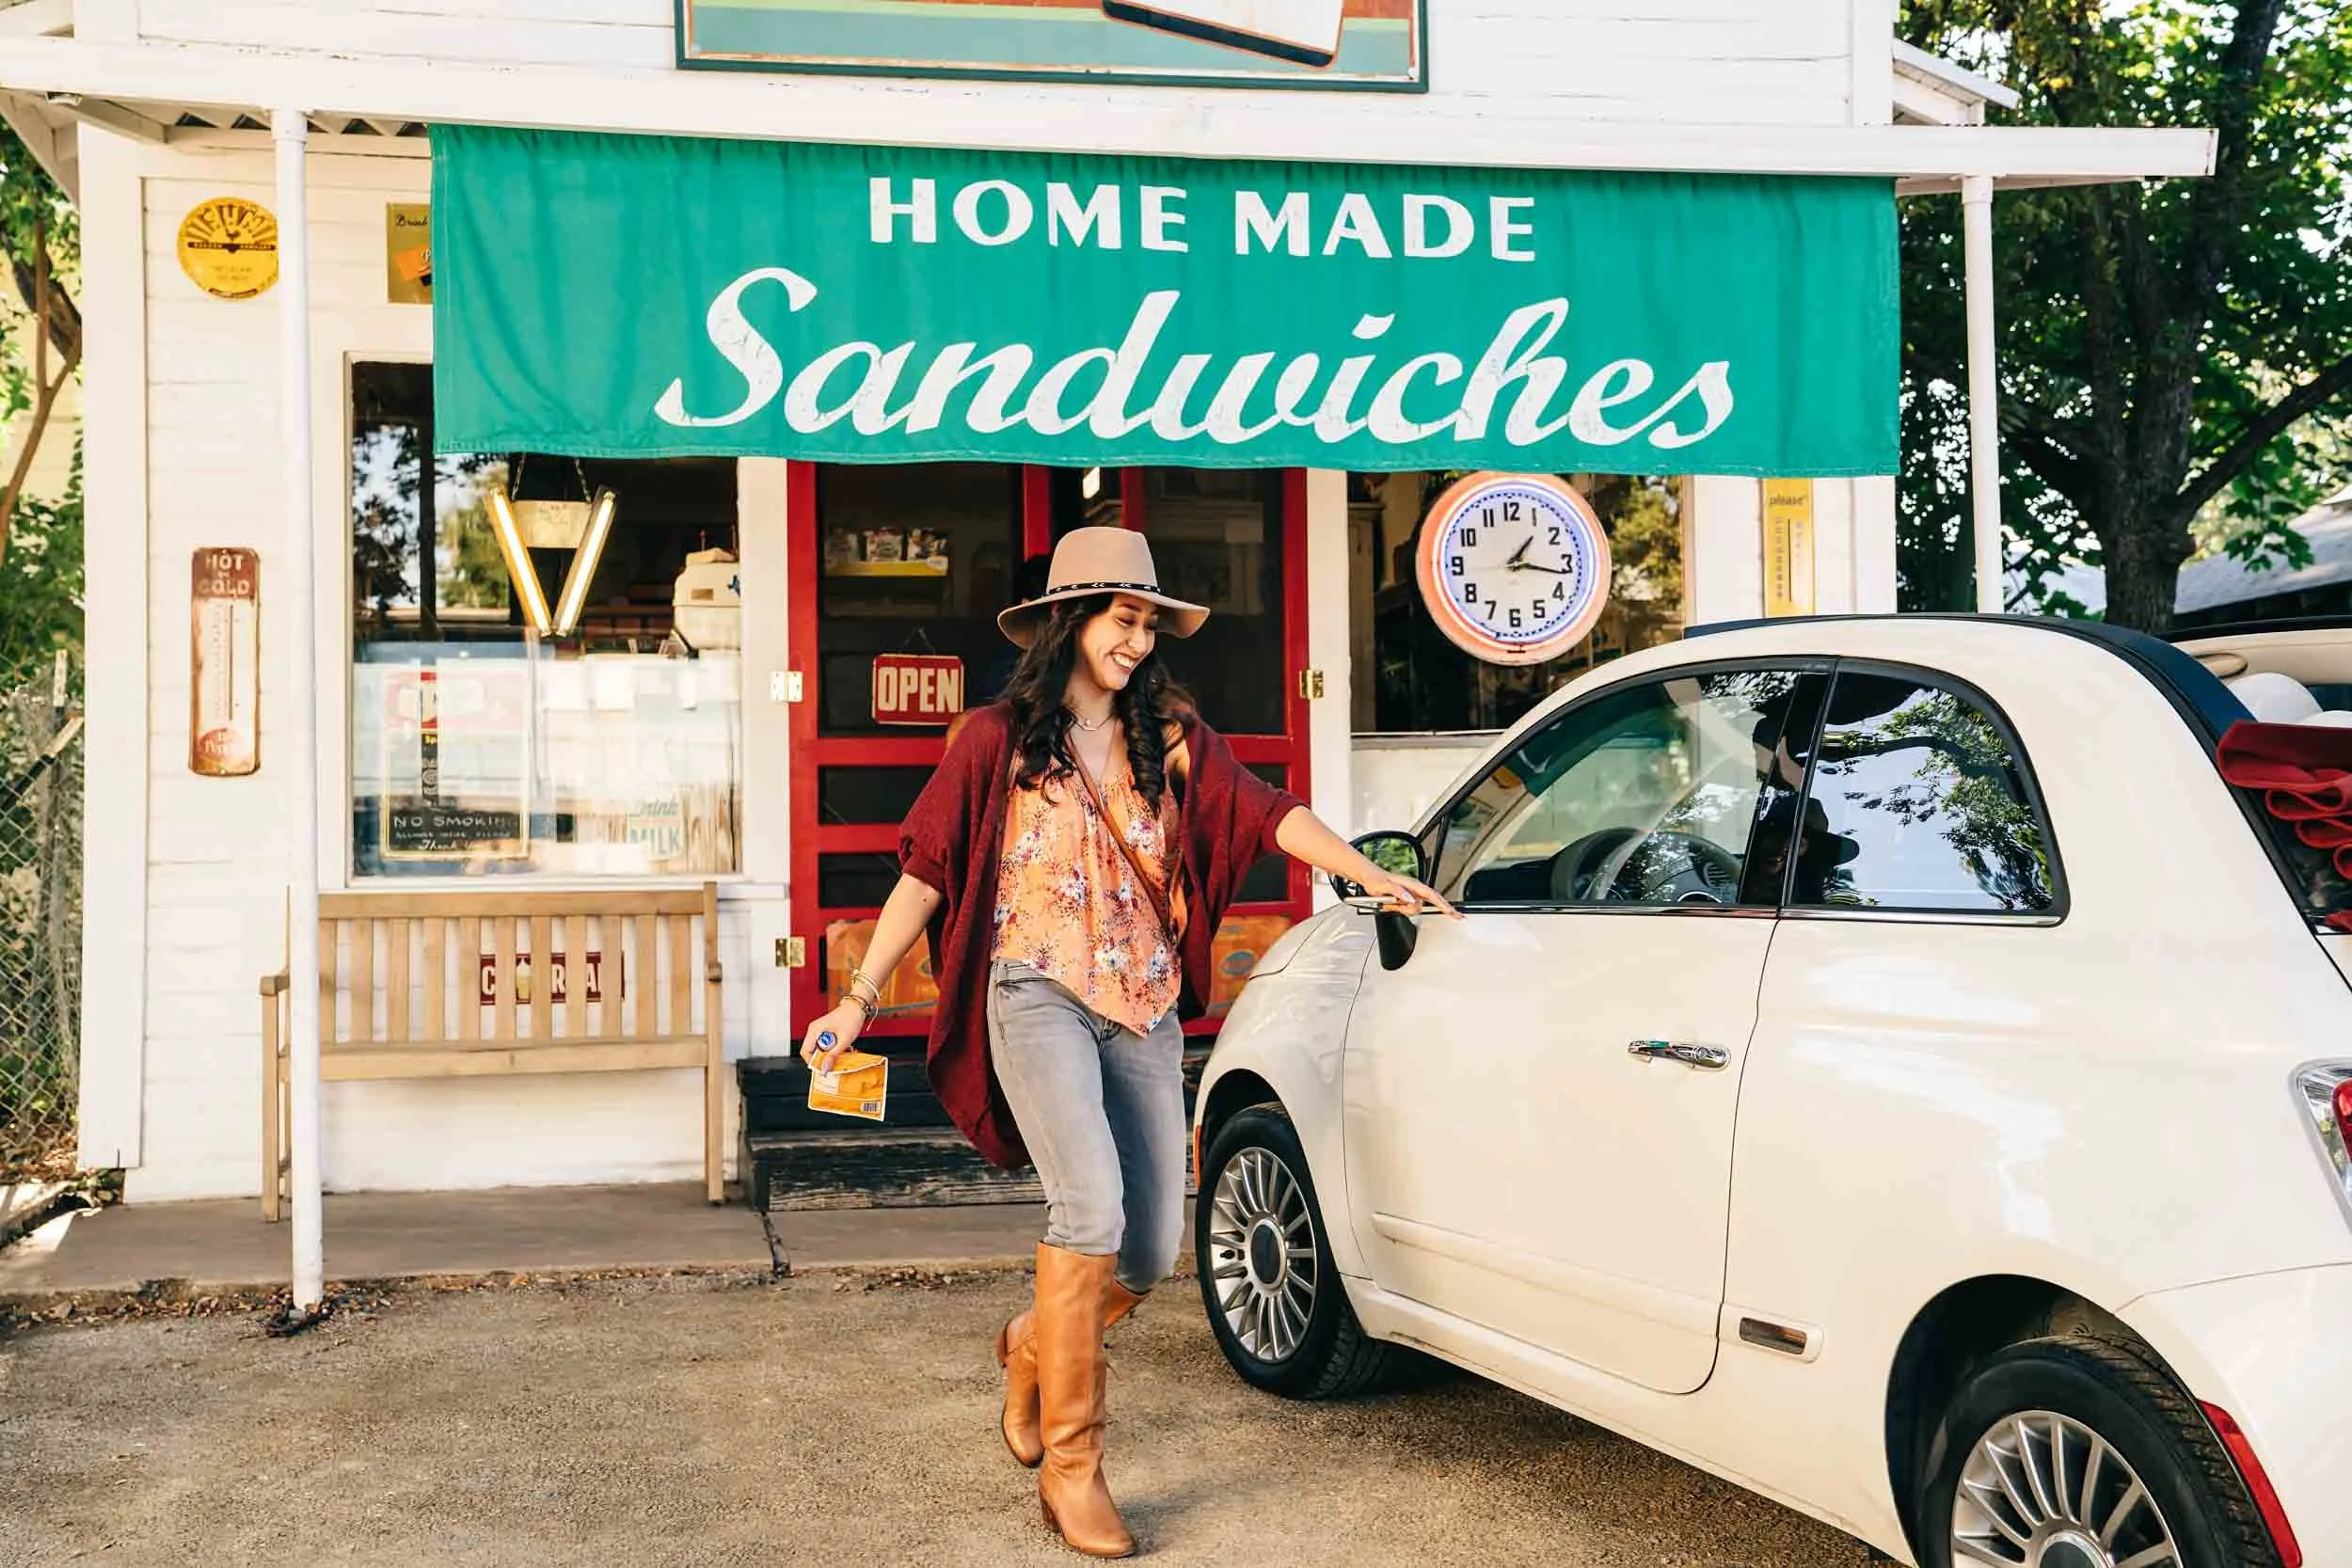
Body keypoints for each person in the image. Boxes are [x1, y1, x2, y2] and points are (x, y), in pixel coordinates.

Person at [799, 526, 1454, 1559]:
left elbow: (1265, 810)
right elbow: (924, 872)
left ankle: (1034, 1346)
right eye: (1123, 619)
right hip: (1033, 989)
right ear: (1072, 620)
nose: (1138, 641)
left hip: (1144, 1003)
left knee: (1151, 1245)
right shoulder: (993, 739)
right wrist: (859, 995)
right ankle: (1073, 1465)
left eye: (1150, 624)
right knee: (1089, 1205)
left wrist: (1363, 871)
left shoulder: (1172, 733)